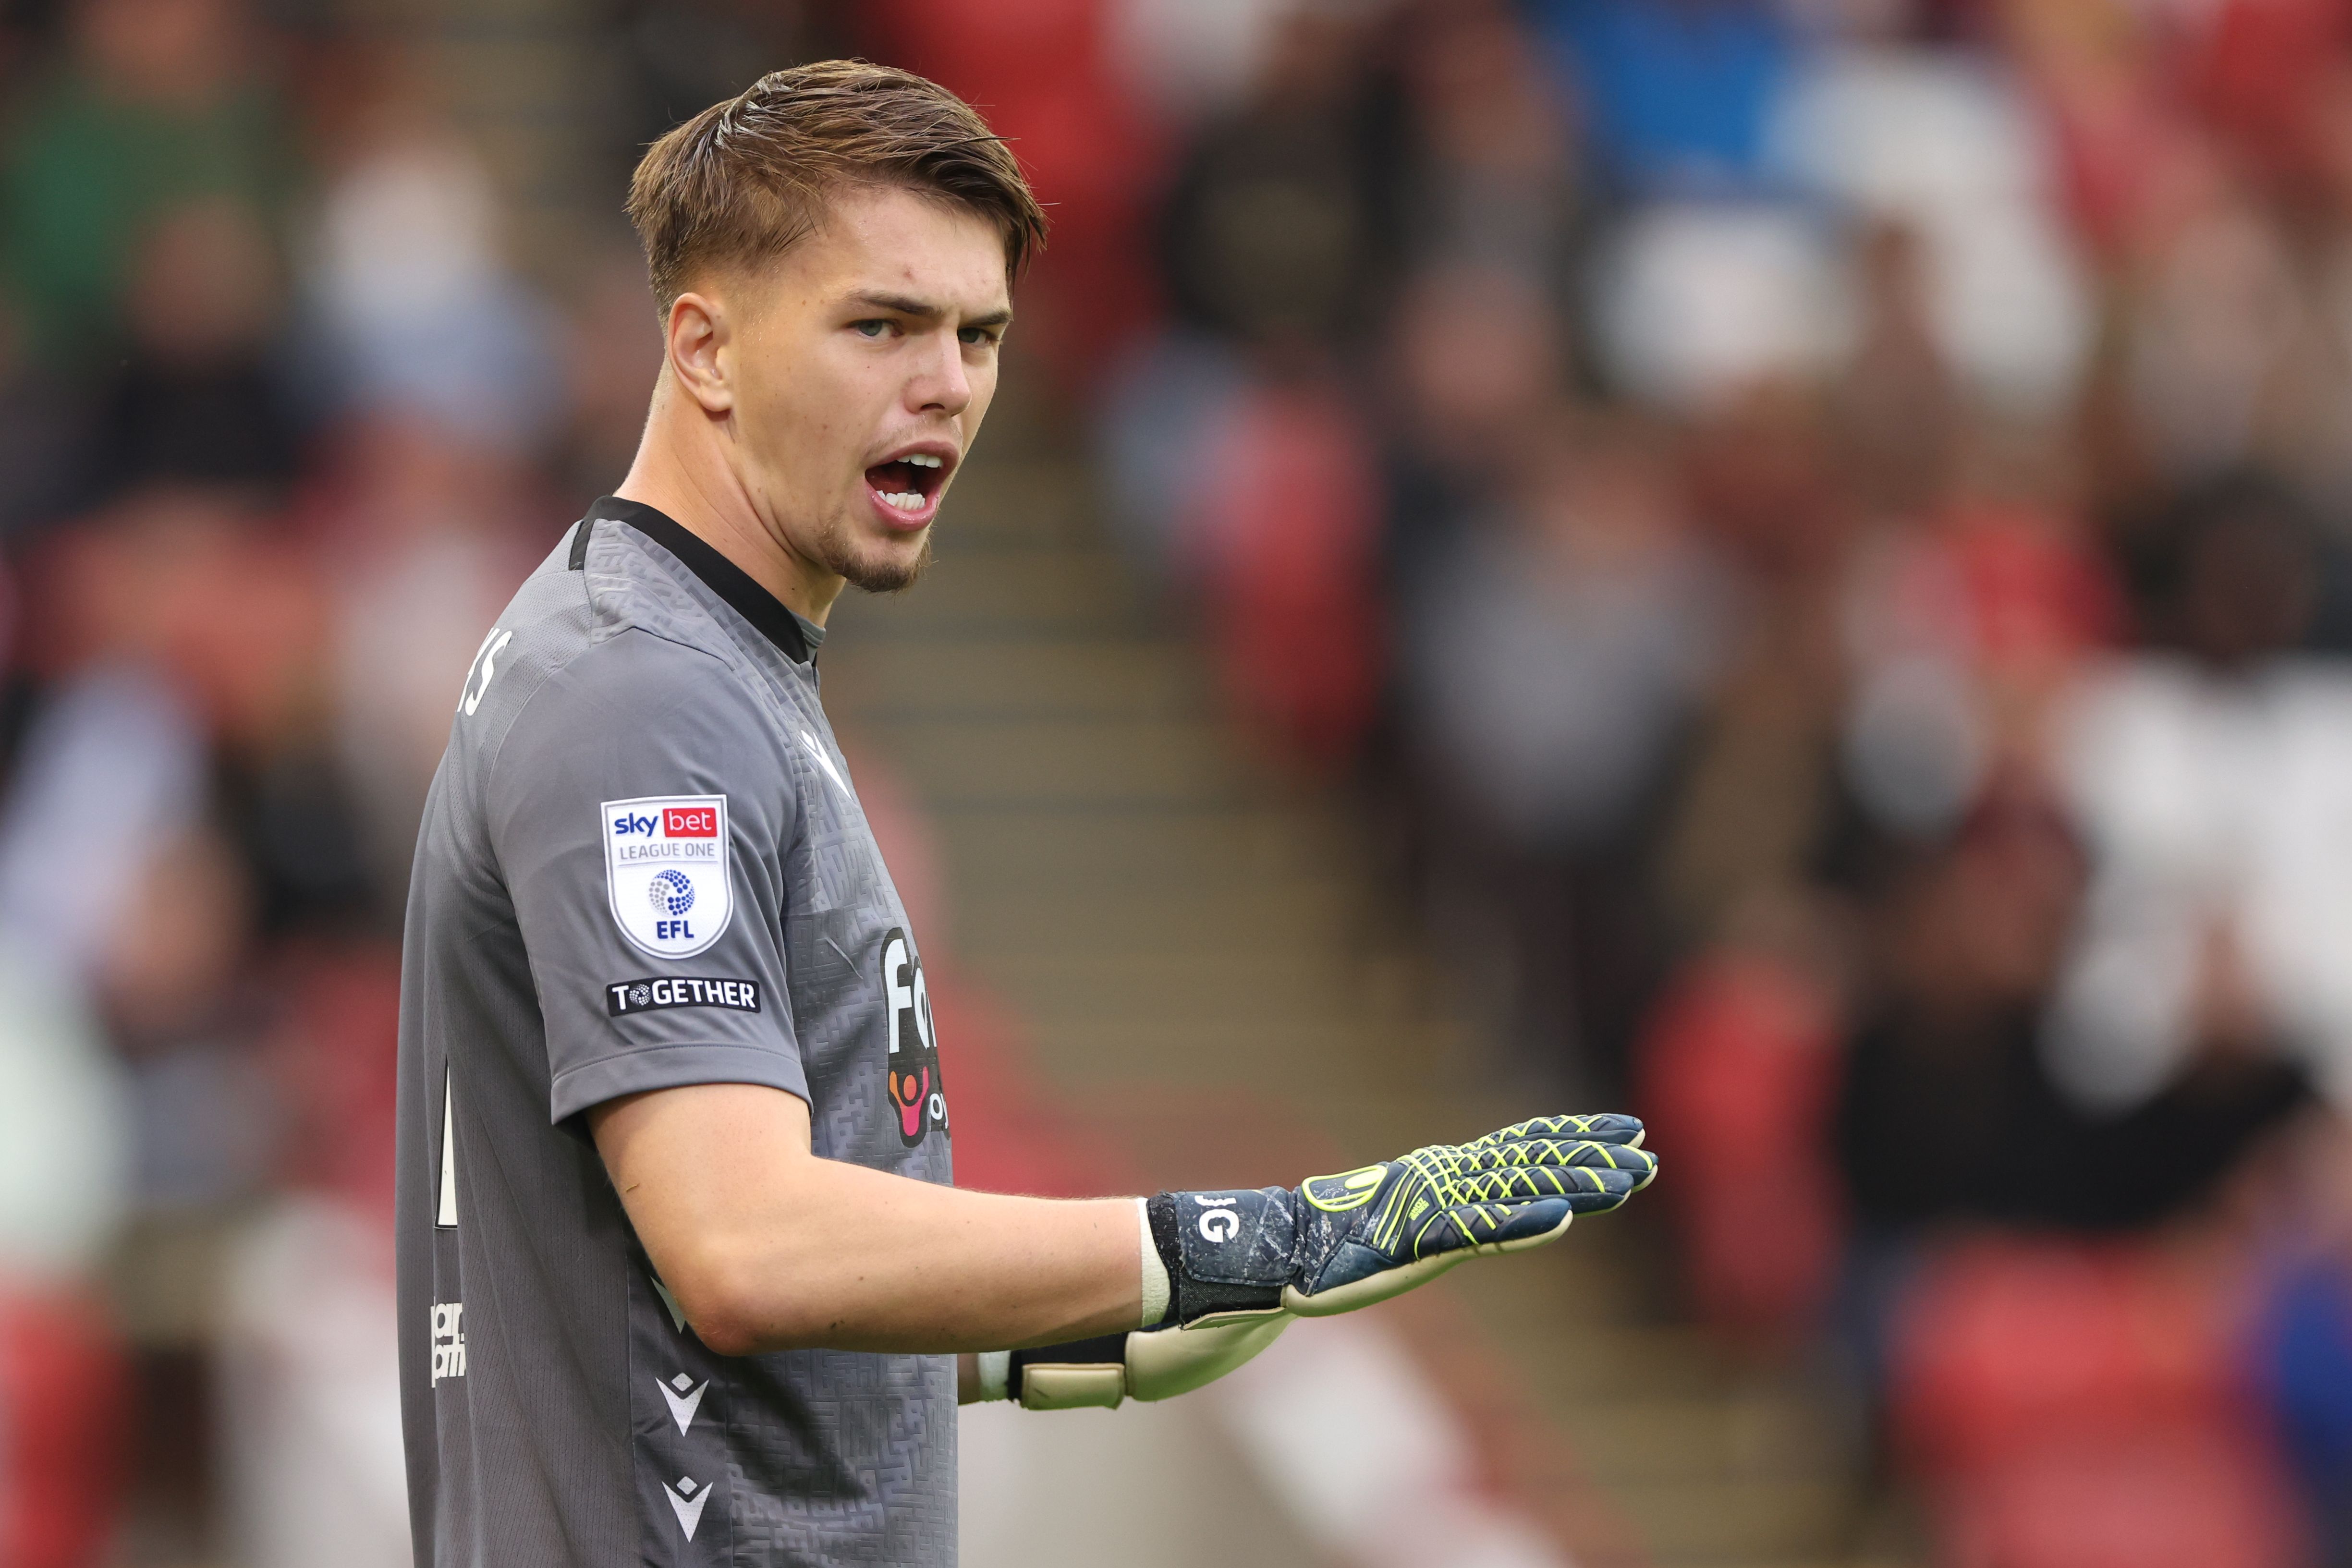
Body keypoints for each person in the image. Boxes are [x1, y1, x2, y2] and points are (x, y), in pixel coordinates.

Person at [392, 61, 1658, 1567]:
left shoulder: (699, 662)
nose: (944, 385)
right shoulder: (645, 697)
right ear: (705, 347)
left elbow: (640, 1293)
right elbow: (736, 1243)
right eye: (880, 325)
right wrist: (1203, 1249)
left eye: (976, 337)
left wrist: (1037, 1339)